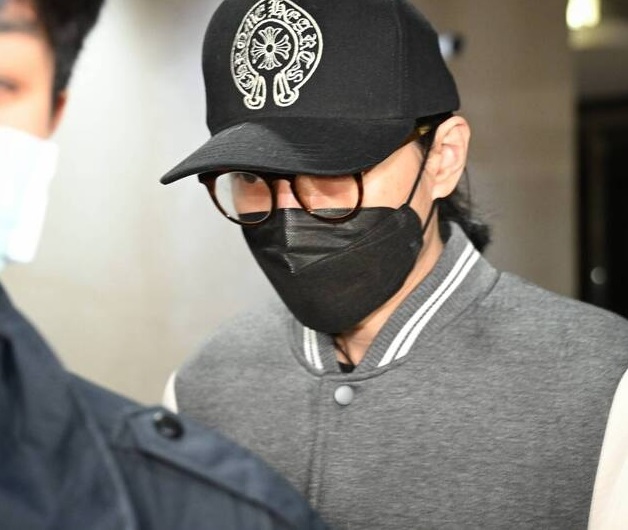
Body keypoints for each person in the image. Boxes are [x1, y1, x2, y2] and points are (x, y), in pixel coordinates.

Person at [160, 0, 628, 528]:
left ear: (443, 158)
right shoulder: (200, 388)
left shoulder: (604, 388)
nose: (289, 219)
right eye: (250, 177)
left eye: (333, 171)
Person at [0, 0, 329, 528]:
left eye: (1, 83)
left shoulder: (210, 511)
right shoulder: (210, 382)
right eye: (252, 179)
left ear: (53, 112)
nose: (291, 212)